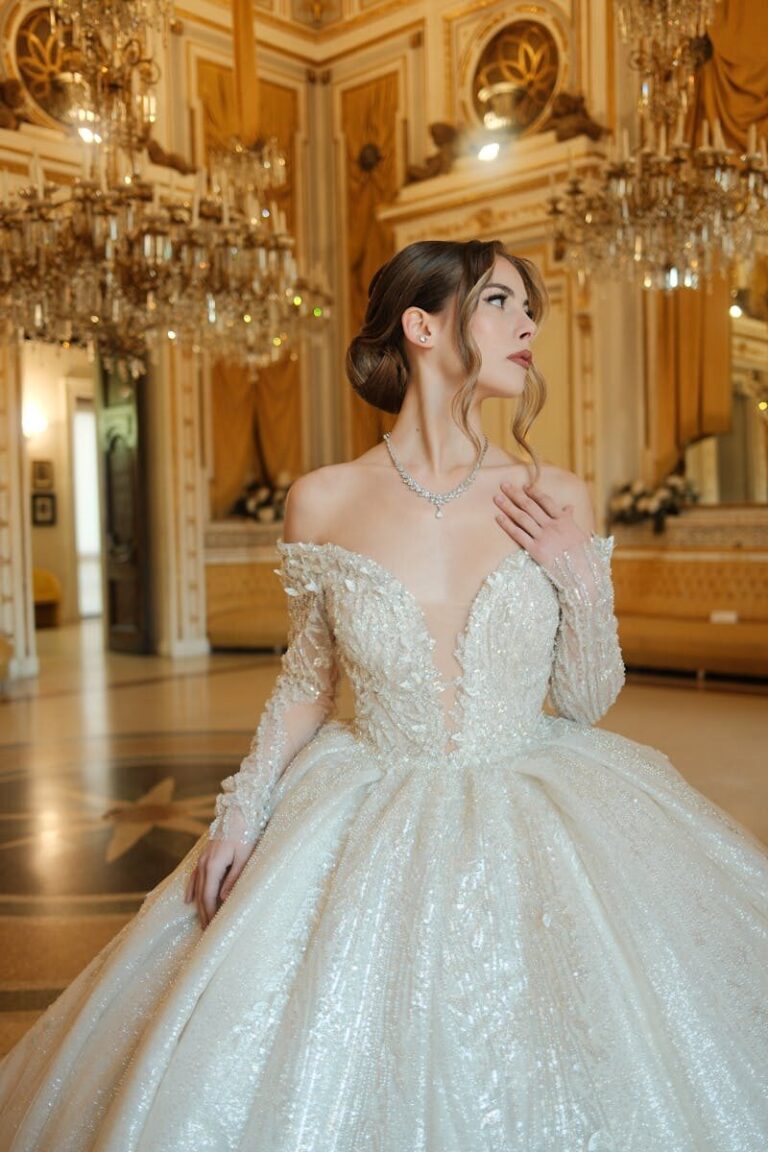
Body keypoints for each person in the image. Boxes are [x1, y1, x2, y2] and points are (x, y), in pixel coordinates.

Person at [1, 239, 767, 1151]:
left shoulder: (554, 493)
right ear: (422, 325)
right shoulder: (323, 499)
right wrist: (241, 816)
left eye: (531, 311)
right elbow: (308, 680)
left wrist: (577, 576)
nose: (528, 328)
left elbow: (588, 698)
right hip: (362, 801)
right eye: (500, 303)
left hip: (536, 797)